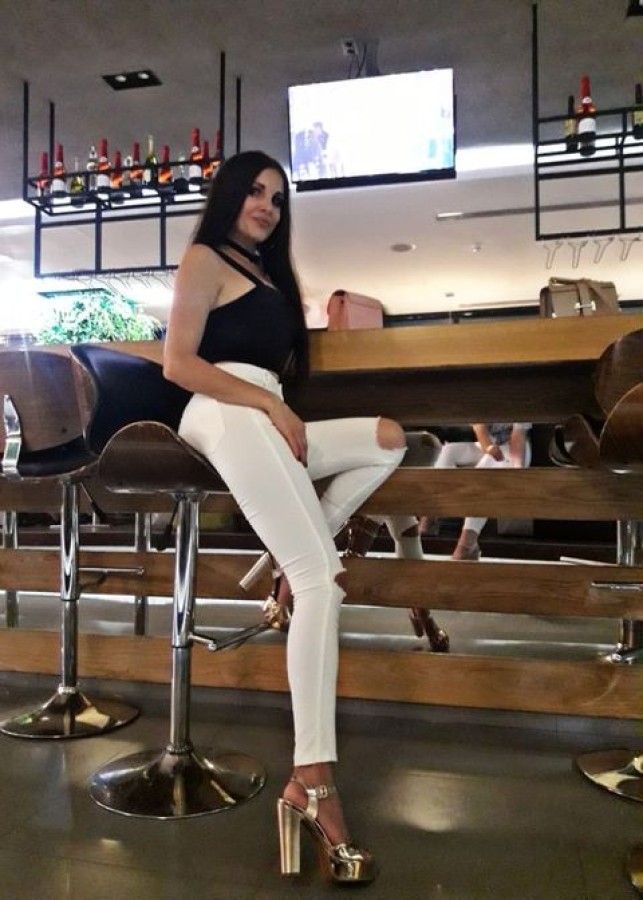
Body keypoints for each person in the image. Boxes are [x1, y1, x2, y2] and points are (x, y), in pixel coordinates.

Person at [163, 150, 406, 884]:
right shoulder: (205, 257)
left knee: (386, 439)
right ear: (229, 196)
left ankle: (286, 561)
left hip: (263, 412)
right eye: (255, 192)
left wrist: (273, 404)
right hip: (221, 407)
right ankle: (314, 782)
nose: (266, 206)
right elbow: (178, 363)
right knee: (322, 584)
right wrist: (269, 404)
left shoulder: (269, 273)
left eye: (277, 197)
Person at [432, 423, 531, 560]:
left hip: (514, 450)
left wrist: (517, 472)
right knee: (448, 450)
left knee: (487, 464)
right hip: (487, 446)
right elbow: (479, 428)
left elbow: (518, 437)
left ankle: (467, 544)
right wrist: (489, 448)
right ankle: (430, 517)